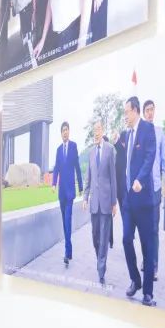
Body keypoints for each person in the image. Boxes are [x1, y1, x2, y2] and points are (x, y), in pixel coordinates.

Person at [117, 97, 157, 307]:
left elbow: (150, 156)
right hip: (128, 200)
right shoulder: (127, 134)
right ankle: (135, 279)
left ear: (135, 111)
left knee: (147, 246)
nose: (125, 115)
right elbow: (126, 158)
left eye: (126, 112)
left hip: (144, 199)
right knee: (126, 239)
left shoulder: (147, 129)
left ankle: (148, 292)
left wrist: (140, 179)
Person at [83, 121, 117, 285]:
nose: (96, 132)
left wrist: (114, 202)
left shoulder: (110, 149)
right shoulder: (91, 152)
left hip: (106, 201)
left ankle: (101, 269)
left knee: (103, 238)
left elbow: (113, 177)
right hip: (94, 203)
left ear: (103, 131)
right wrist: (85, 197)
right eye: (94, 130)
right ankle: (100, 260)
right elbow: (88, 178)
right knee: (95, 237)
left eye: (98, 129)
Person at [143, 100, 165, 278]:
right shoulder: (139, 133)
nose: (150, 113)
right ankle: (146, 259)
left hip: (154, 189)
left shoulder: (160, 133)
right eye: (147, 110)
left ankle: (153, 266)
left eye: (152, 110)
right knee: (143, 228)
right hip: (141, 190)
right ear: (143, 113)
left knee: (153, 229)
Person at [51, 122, 83, 266]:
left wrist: (80, 186)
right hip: (61, 193)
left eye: (66, 130)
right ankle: (69, 252)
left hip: (70, 192)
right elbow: (56, 168)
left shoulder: (73, 146)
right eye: (63, 130)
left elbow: (77, 167)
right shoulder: (58, 150)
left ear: (69, 132)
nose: (65, 132)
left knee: (68, 220)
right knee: (64, 222)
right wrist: (53, 184)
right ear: (61, 133)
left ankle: (66, 251)